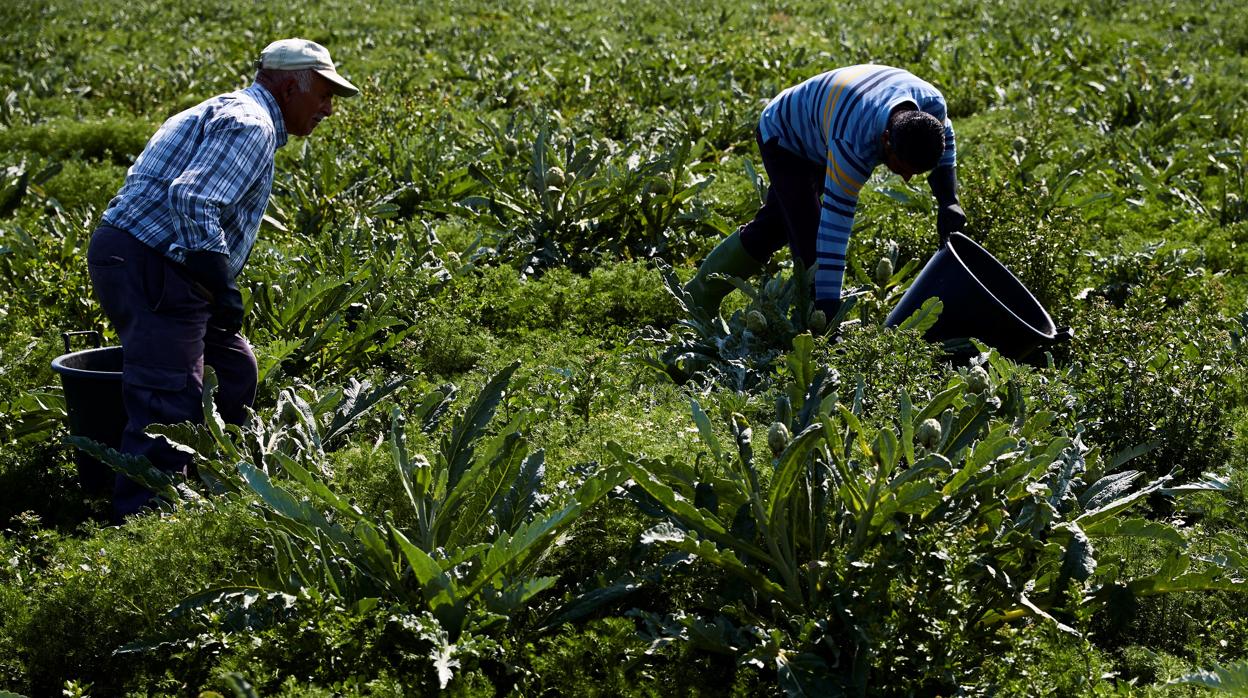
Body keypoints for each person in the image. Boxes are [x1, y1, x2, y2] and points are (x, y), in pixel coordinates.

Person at [86, 38, 359, 519]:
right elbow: (193, 200)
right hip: (156, 262)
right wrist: (221, 283)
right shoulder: (251, 124)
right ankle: (144, 523)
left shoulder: (230, 111)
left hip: (155, 259)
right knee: (169, 399)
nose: (329, 109)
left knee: (232, 370)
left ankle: (214, 482)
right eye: (323, 94)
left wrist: (212, 282)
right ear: (289, 86)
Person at [684, 64, 965, 319]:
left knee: (776, 226)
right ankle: (702, 298)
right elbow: (833, 230)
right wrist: (829, 310)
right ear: (886, 140)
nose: (905, 178)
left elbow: (946, 134)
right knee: (808, 240)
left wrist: (949, 200)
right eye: (901, 167)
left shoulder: (932, 105)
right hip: (786, 134)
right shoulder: (853, 143)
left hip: (827, 123)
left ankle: (697, 296)